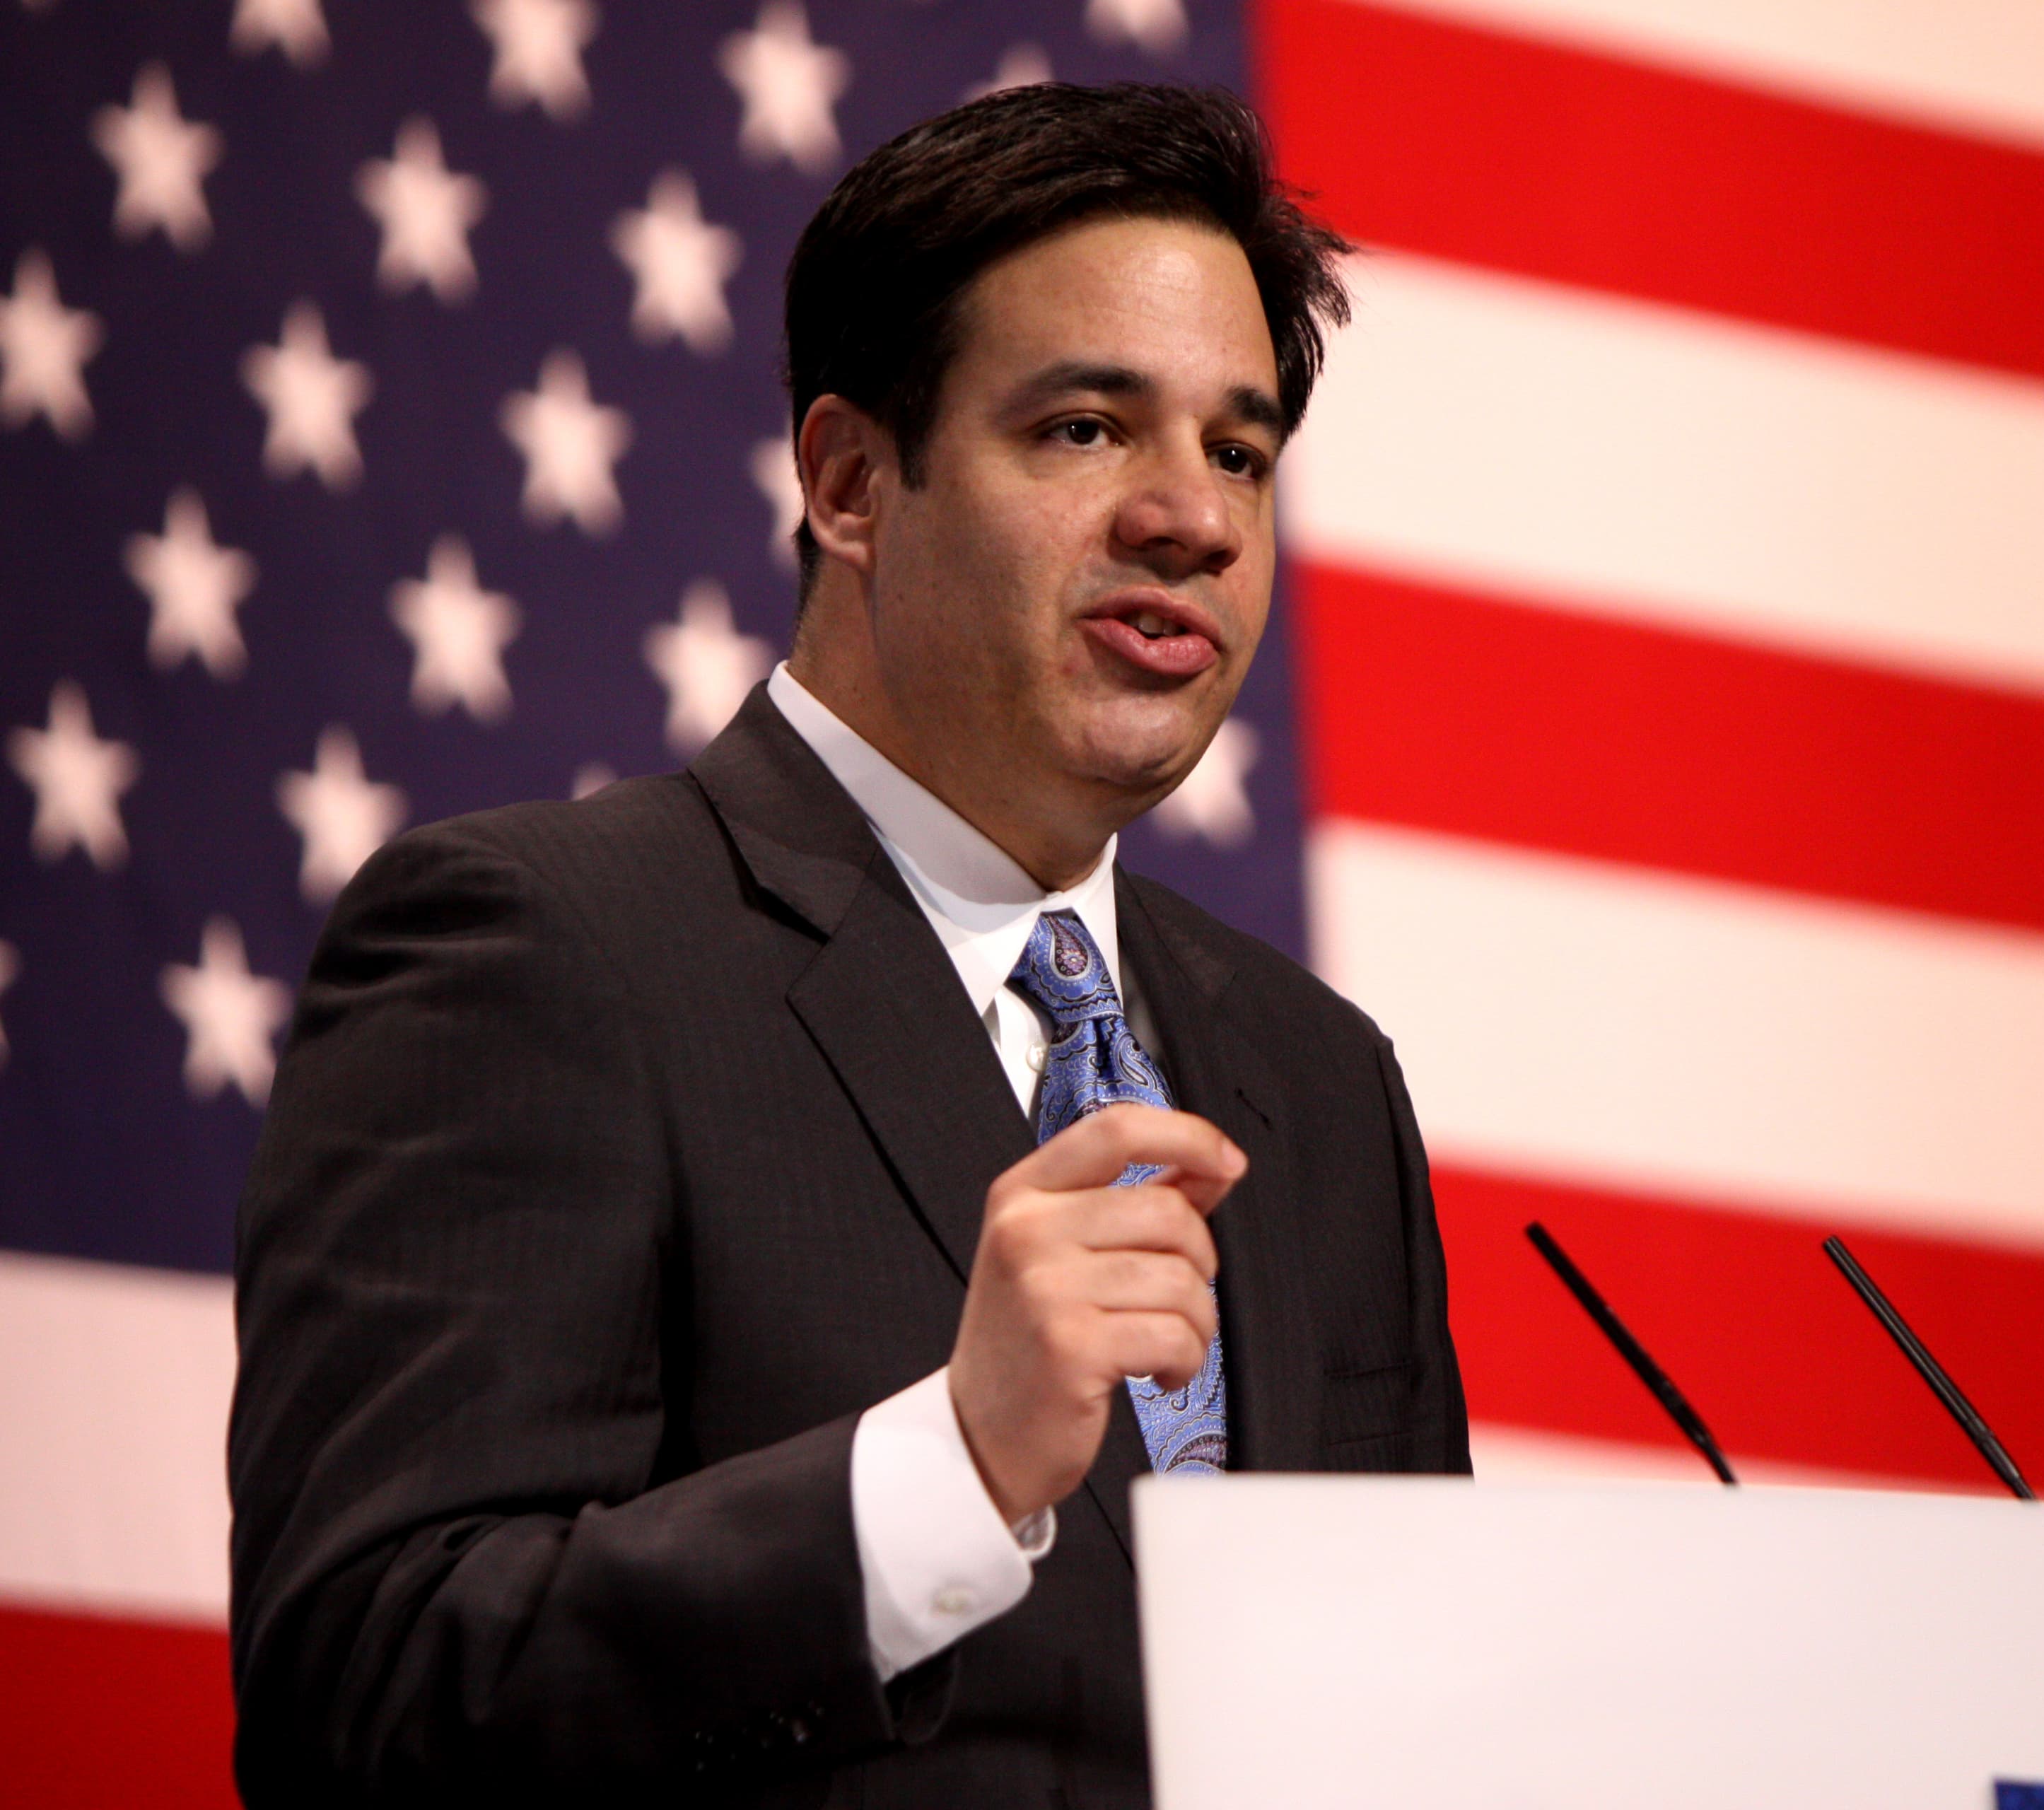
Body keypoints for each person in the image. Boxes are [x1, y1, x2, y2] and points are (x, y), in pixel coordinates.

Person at [227, 83, 1471, 1808]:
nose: (1195, 516)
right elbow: (367, 1695)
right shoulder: (543, 946)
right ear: (849, 480)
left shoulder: (1322, 1080)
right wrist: (943, 1474)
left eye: (1240, 449)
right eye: (1088, 428)